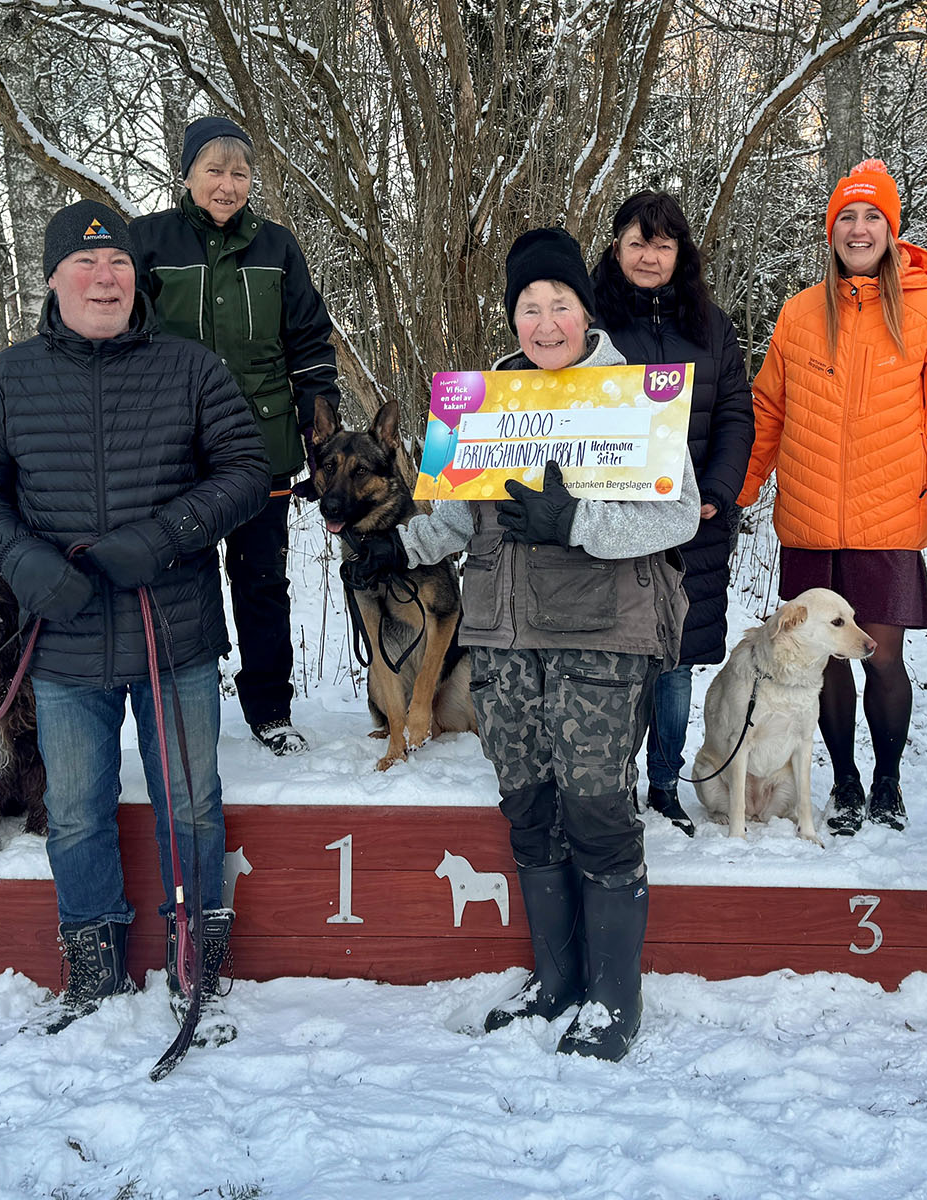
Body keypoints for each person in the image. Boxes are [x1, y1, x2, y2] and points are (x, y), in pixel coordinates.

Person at [348, 227, 699, 1061]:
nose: (545, 323)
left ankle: (614, 1000)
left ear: (586, 310)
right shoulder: (479, 401)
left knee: (596, 808)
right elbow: (450, 519)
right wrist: (397, 546)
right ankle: (557, 981)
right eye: (529, 307)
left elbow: (679, 515)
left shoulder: (632, 394)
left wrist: (577, 520)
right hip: (502, 636)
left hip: (600, 635)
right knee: (530, 807)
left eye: (560, 304)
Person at [0, 200, 271, 1037]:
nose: (104, 278)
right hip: (64, 636)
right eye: (84, 265)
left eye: (118, 262)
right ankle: (95, 966)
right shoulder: (9, 379)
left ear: (137, 277)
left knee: (191, 805)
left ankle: (196, 955)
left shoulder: (191, 368)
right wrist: (23, 562)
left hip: (174, 630)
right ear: (53, 280)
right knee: (78, 809)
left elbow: (246, 471)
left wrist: (165, 536)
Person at [738, 159, 927, 836]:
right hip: (809, 521)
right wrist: (739, 493)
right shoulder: (799, 312)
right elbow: (768, 412)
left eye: (873, 216)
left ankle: (887, 781)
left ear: (891, 229)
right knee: (825, 663)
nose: (858, 228)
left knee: (881, 658)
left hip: (889, 522)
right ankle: (845, 782)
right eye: (846, 216)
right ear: (831, 230)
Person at [132, 116, 344, 757]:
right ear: (187, 175)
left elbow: (309, 344)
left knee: (261, 581)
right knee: (177, 579)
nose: (228, 184)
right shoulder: (147, 241)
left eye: (240, 173)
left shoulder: (277, 247)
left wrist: (319, 434)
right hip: (174, 451)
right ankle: (181, 707)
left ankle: (269, 708)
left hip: (262, 449)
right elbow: (123, 338)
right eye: (214, 170)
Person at [592, 190, 754, 836]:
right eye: (638, 242)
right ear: (616, 248)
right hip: (615, 524)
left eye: (662, 245)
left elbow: (737, 414)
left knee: (677, 661)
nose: (649, 257)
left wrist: (717, 489)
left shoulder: (712, 326)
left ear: (680, 252)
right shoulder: (590, 322)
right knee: (616, 658)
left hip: (693, 524)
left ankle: (664, 783)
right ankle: (613, 781)